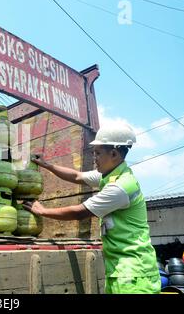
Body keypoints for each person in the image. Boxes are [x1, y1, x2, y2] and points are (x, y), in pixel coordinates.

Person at [23, 123, 160, 294]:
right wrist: (47, 165)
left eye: (97, 153)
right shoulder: (110, 175)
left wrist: (43, 211)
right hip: (120, 271)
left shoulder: (121, 187)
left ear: (114, 154)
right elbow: (77, 176)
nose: (94, 157)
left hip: (133, 274)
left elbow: (81, 212)